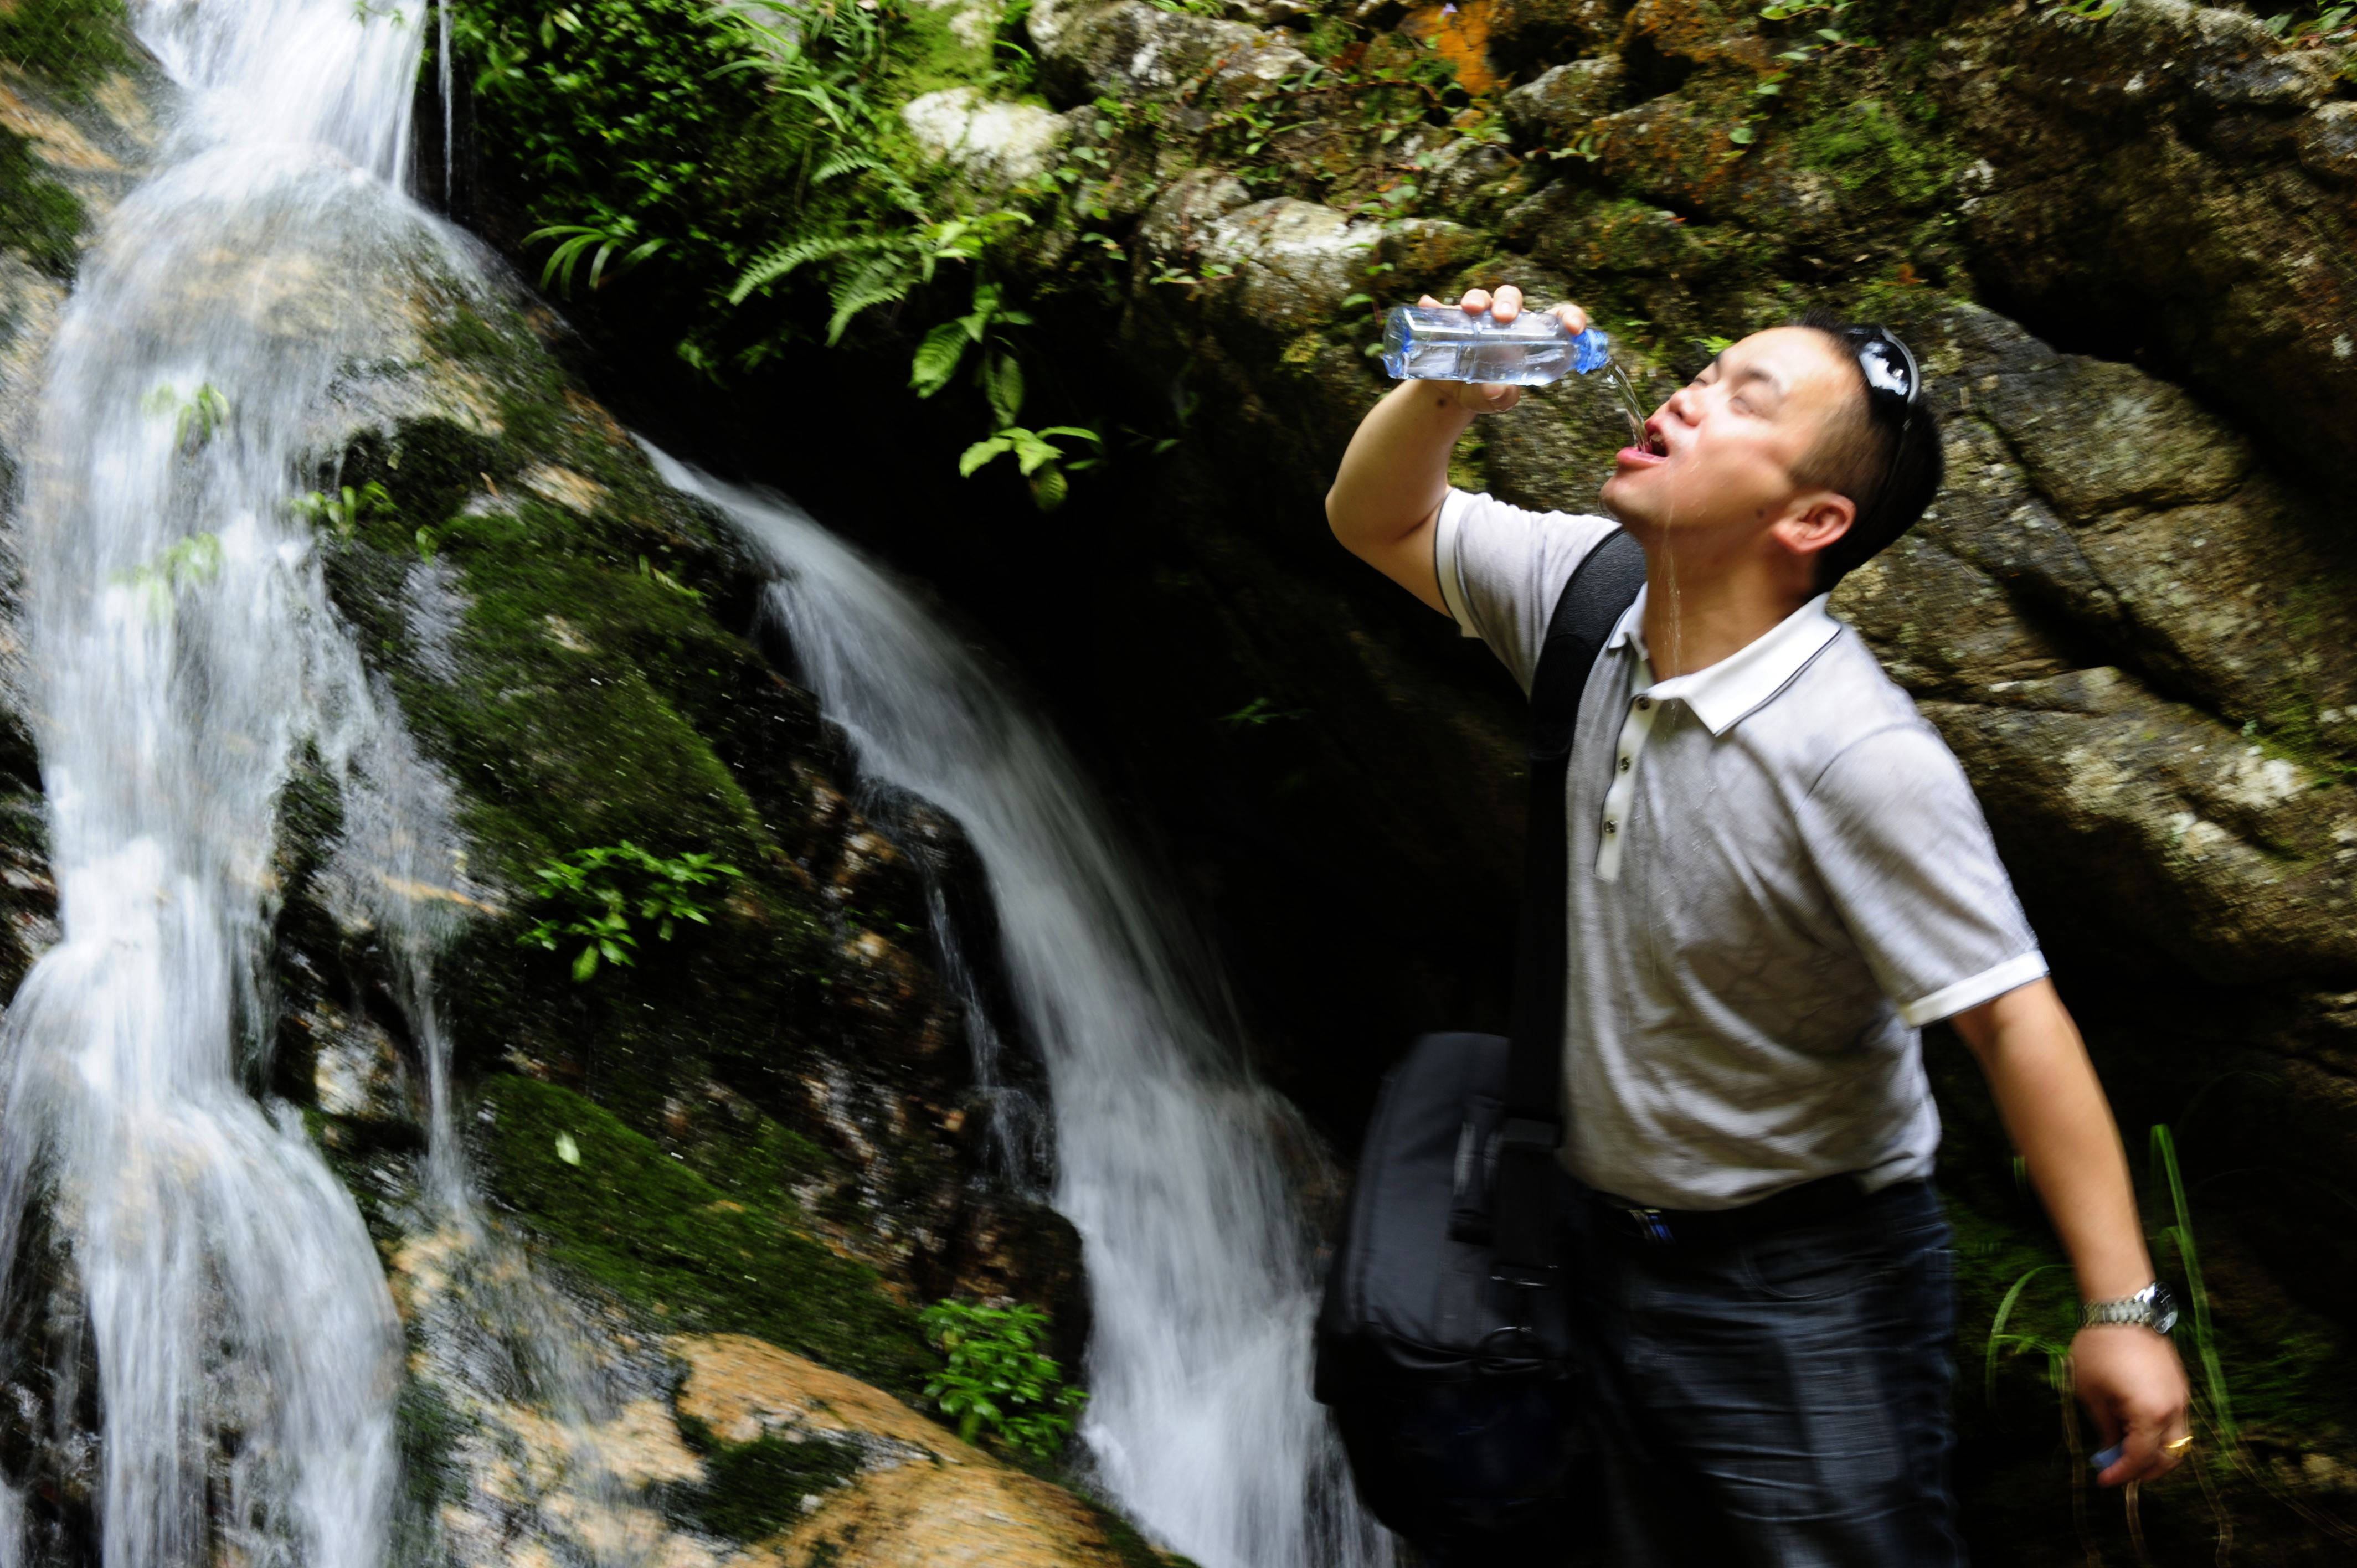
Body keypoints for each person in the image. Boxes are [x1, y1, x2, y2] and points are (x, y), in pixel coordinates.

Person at [1324, 283, 2193, 1562]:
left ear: (1811, 519)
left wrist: (2123, 1307)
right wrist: (1447, 389)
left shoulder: (1854, 754)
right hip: (1585, 1238)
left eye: (1748, 398)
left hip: (1808, 1286)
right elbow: (1374, 518)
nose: (1688, 392)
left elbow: (2013, 1021)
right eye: (1704, 369)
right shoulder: (1586, 599)